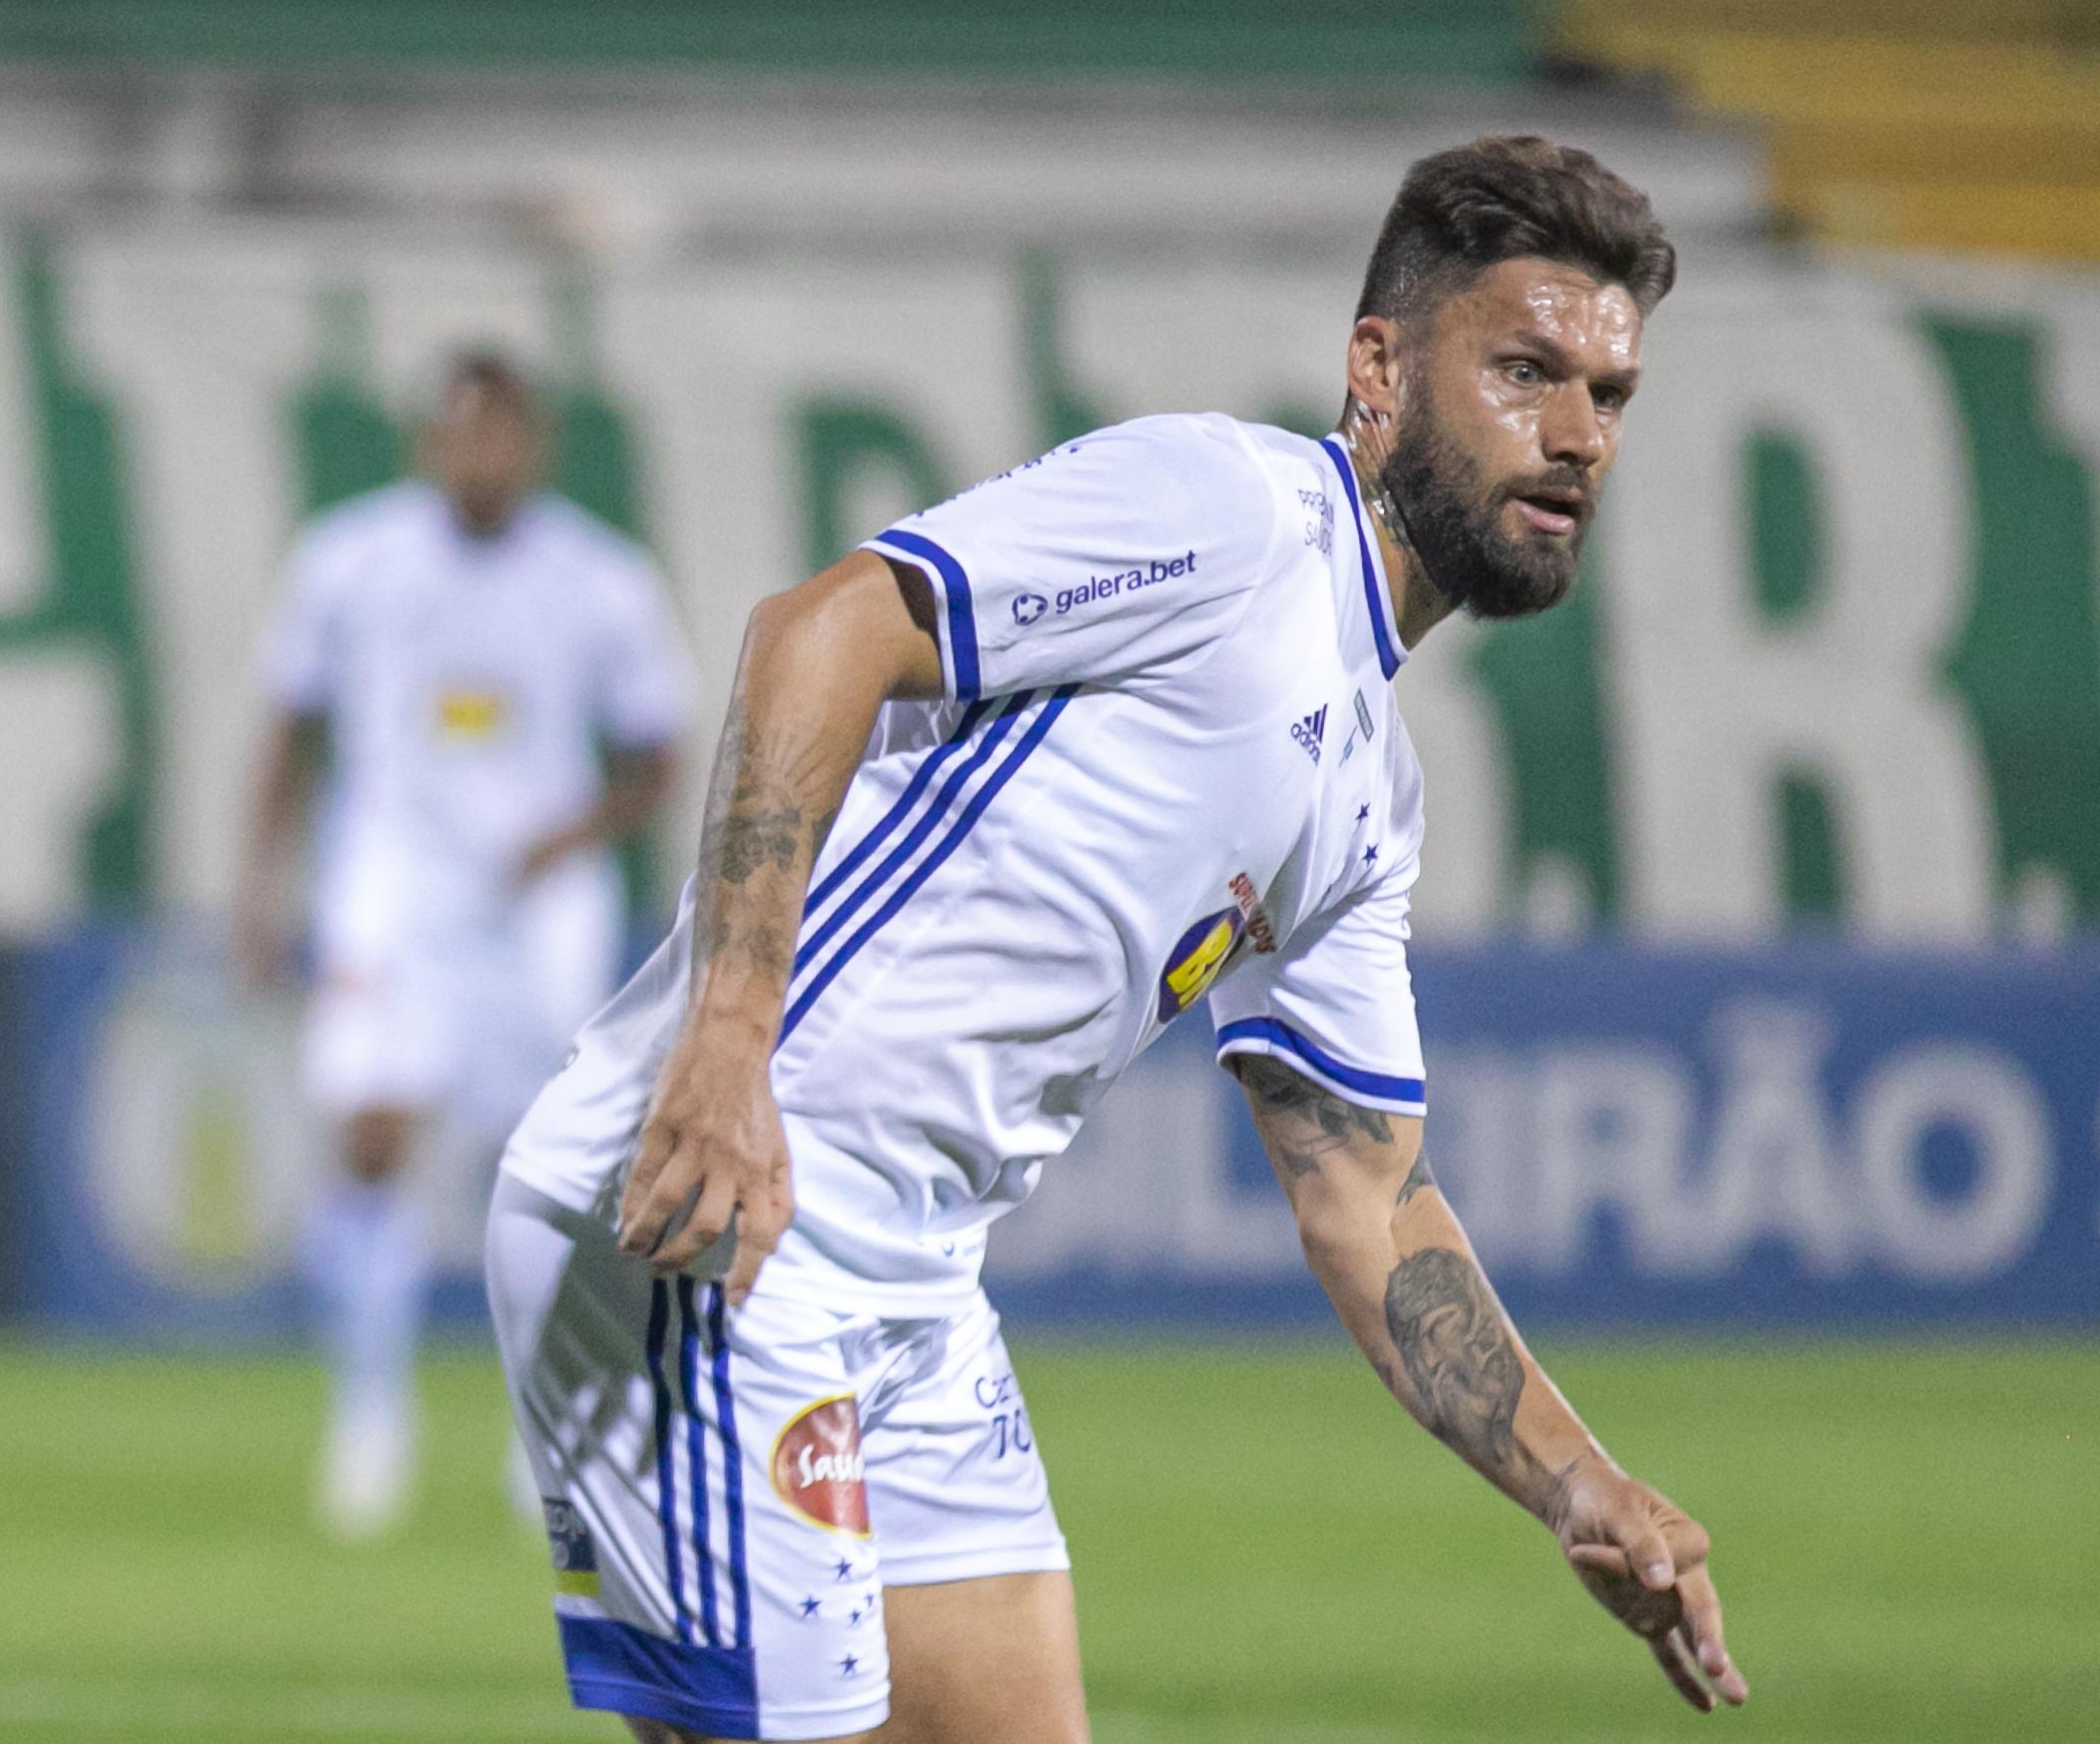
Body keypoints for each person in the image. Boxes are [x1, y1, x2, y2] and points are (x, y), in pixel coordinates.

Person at [486, 137, 1751, 1741]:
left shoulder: (1371, 791)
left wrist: (1584, 1484)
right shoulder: (1230, 510)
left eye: (1611, 395)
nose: (1576, 435)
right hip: (715, 1203)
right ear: (1379, 366)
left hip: (912, 1280)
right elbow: (821, 630)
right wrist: (726, 1043)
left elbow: (1367, 1193)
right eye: (1524, 370)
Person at [239, 351, 695, 1539]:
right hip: (394, 878)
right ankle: (369, 1413)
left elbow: (656, 754)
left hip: (540, 894)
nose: (476, 458)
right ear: (425, 445)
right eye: (456, 436)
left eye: (497, 435)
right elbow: (288, 729)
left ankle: (537, 1420)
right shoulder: (349, 560)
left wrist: (574, 833)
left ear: (531, 444)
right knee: (372, 1134)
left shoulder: (600, 578)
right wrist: (258, 887)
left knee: (542, 1163)